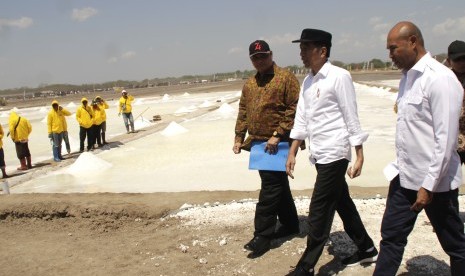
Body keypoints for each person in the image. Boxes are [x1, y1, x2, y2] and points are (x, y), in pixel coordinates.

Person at [373, 21, 465, 276]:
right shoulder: (407, 78)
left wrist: (428, 185)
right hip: (405, 177)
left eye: (393, 48)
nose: (390, 55)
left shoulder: (440, 79)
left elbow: (446, 140)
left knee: (454, 245)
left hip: (435, 184)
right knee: (391, 237)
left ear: (413, 41)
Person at [286, 29, 378, 276]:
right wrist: (293, 151)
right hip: (319, 152)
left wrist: (359, 154)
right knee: (342, 203)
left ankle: (306, 266)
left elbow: (351, 115)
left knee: (319, 209)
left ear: (322, 50)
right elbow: (301, 120)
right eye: (301, 48)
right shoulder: (307, 81)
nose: (302, 53)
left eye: (306, 48)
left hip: (336, 152)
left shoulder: (340, 76)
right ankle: (366, 248)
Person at [233, 40, 301, 258]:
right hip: (258, 144)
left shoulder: (285, 78)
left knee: (270, 189)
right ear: (251, 59)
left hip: (278, 144)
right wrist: (238, 136)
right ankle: (290, 224)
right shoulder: (250, 83)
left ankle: (262, 236)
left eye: (263, 56)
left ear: (271, 55)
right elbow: (243, 110)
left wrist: (278, 134)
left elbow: (295, 108)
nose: (259, 60)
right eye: (255, 57)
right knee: (277, 184)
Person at [446, 40, 465, 164]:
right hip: (452, 141)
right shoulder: (444, 80)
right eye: (458, 60)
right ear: (449, 61)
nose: (462, 63)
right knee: (450, 181)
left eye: (464, 59)